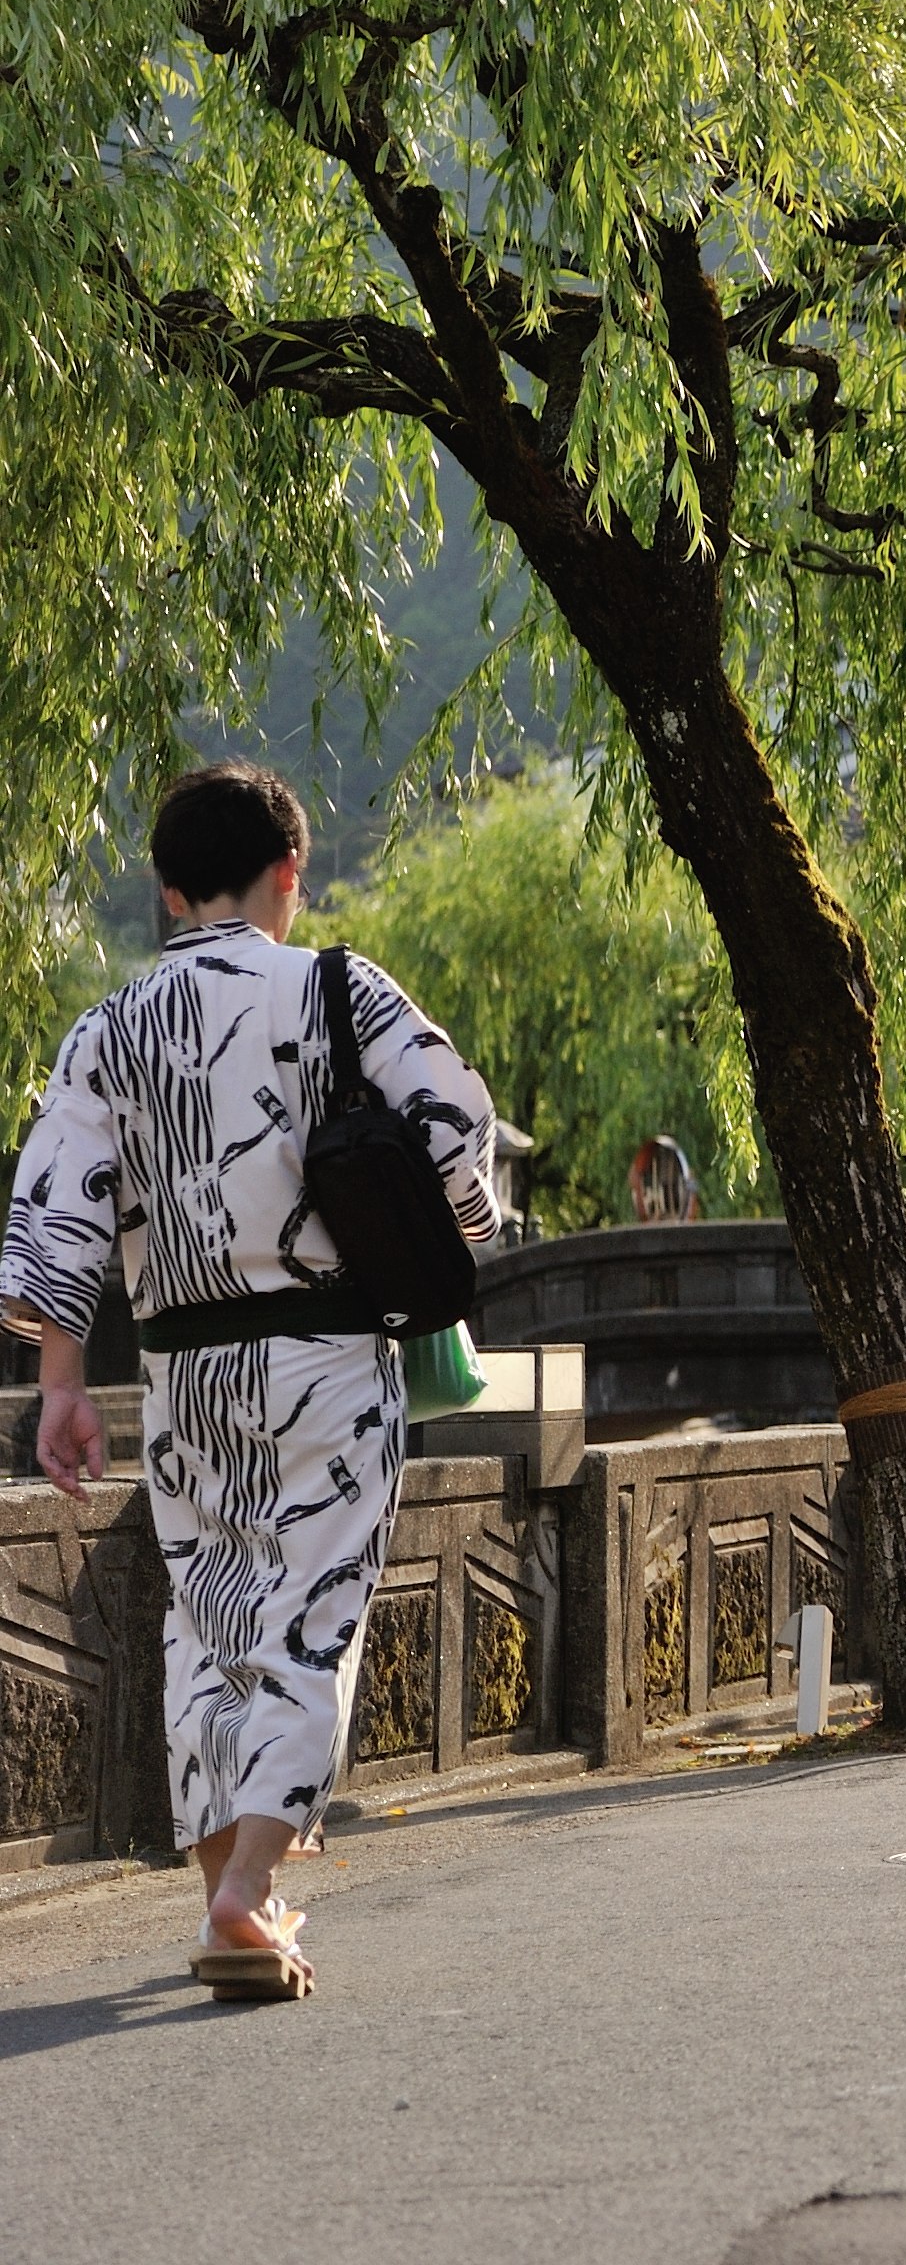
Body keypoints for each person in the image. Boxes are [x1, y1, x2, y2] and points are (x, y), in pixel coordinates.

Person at [8, 764, 501, 2002]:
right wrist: (440, 1229)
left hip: (179, 1372)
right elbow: (455, 1135)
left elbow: (59, 1215)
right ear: (291, 873)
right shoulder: (335, 984)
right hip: (324, 1350)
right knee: (311, 1610)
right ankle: (245, 1893)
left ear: (170, 893)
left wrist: (62, 1385)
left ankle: (239, 1890)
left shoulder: (109, 1030)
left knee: (209, 1617)